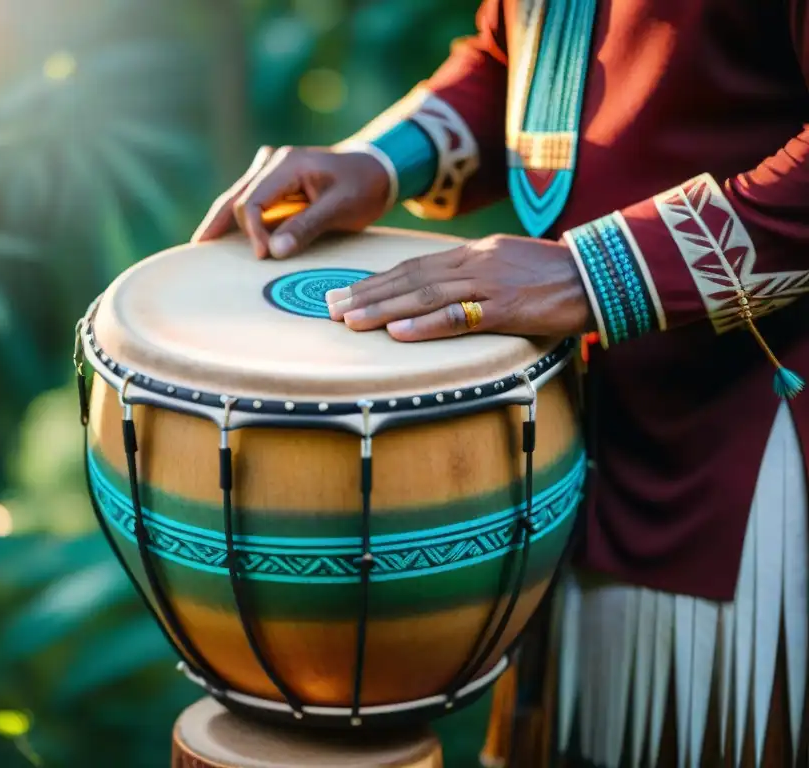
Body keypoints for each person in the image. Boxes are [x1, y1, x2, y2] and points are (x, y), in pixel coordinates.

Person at [192, 1, 809, 766]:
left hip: (759, 435)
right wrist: (381, 161)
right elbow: (525, 54)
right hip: (574, 431)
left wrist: (594, 273)